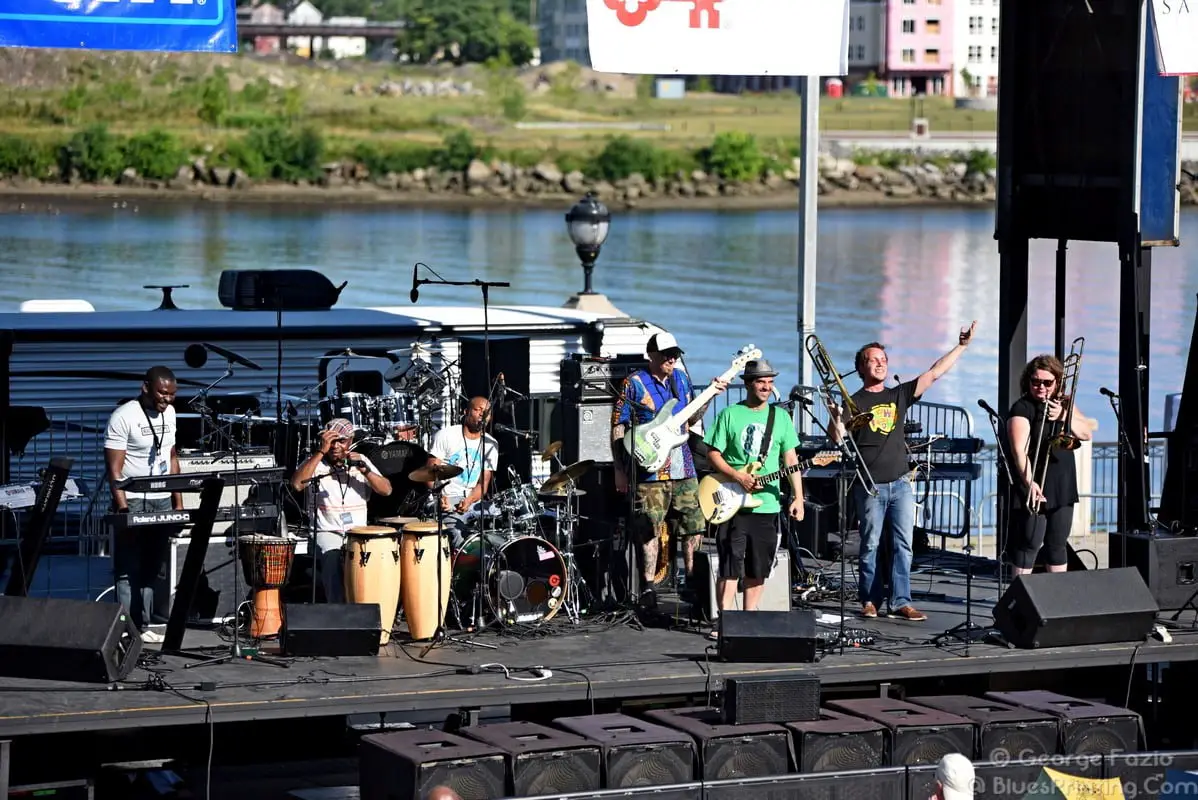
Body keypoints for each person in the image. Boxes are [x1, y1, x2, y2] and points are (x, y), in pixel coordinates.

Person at [828, 321, 977, 622]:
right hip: (870, 485)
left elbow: (933, 373)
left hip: (900, 483)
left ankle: (901, 601)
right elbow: (836, 438)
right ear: (861, 367)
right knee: (870, 544)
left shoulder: (898, 395)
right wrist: (834, 417)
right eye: (873, 360)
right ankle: (870, 600)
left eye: (883, 360)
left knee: (903, 545)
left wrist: (961, 347)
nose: (880, 364)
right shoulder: (853, 401)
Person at [612, 332, 728, 609]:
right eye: (667, 355)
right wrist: (620, 469)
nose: (672, 359)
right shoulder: (634, 383)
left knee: (693, 525)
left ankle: (692, 582)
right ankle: (649, 588)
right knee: (649, 529)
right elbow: (618, 426)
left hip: (683, 466)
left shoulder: (681, 379)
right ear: (652, 355)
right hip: (650, 471)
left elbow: (693, 416)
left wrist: (710, 396)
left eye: (675, 354)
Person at [704, 359, 804, 637]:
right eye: (761, 382)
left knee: (758, 567)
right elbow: (712, 453)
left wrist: (798, 497)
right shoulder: (730, 415)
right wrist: (737, 476)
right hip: (732, 502)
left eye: (770, 382)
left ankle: (749, 621)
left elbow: (791, 460)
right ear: (748, 384)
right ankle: (724, 622)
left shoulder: (780, 417)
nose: (766, 387)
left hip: (767, 505)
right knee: (729, 566)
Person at [105, 366, 184, 644]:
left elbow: (171, 457)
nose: (167, 399)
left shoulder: (170, 413)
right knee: (128, 568)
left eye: (172, 394)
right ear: (146, 387)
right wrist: (123, 508)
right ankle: (125, 628)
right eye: (162, 393)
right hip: (133, 499)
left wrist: (178, 502)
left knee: (153, 566)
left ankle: (143, 624)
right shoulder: (123, 416)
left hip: (160, 498)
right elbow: (114, 469)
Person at [1004, 354, 1097, 574]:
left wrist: (1064, 415)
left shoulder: (1064, 403)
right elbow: (1019, 452)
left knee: (1057, 544)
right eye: (1036, 381)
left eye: (1047, 382)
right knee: (1029, 543)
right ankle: (1020, 591)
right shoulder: (1022, 408)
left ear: (1057, 382)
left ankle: (1057, 593)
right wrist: (1030, 483)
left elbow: (1086, 433)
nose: (1041, 387)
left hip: (1062, 484)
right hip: (1035, 482)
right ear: (1028, 381)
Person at [290, 418, 393, 602]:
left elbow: (386, 490)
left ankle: (368, 607)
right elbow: (297, 484)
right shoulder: (315, 463)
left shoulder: (360, 460)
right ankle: (338, 610)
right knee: (333, 557)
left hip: (358, 532)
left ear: (350, 441)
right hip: (327, 531)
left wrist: (365, 471)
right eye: (331, 441)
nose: (335, 446)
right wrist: (321, 451)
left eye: (341, 441)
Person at [428, 396, 499, 547]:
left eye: (486, 412)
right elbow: (429, 473)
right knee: (459, 535)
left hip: (473, 501)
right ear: (466, 412)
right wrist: (440, 497)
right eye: (478, 410)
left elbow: (483, 485)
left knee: (503, 524)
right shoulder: (446, 435)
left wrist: (470, 499)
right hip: (448, 499)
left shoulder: (491, 444)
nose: (482, 415)